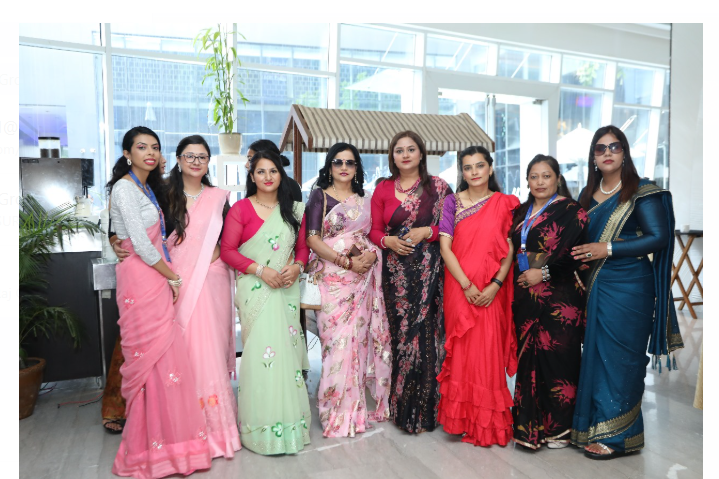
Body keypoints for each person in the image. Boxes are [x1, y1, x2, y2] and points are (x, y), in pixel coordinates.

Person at [569, 125, 684, 459]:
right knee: (596, 356)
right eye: (600, 148)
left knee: (623, 359)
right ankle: (594, 427)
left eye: (614, 147)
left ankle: (620, 437)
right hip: (597, 285)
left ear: (624, 153)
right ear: (593, 157)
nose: (607, 153)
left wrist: (607, 248)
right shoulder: (587, 195)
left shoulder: (641, 191)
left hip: (631, 286)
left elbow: (659, 237)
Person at [108, 126, 211, 478]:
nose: (149, 153)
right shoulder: (124, 188)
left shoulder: (149, 187)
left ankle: (171, 443)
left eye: (154, 147)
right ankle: (146, 446)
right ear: (127, 153)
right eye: (141, 147)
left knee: (164, 359)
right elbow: (138, 241)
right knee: (148, 357)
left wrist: (166, 276)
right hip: (142, 278)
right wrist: (173, 277)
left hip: (154, 275)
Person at [220, 150, 311, 455]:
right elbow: (228, 251)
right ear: (252, 176)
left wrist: (297, 267)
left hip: (285, 288)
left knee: (286, 356)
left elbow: (303, 249)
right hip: (255, 290)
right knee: (261, 358)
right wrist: (261, 271)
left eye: (273, 171)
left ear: (281, 175)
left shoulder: (294, 210)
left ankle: (290, 426)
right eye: (261, 171)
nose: (268, 177)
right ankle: (259, 428)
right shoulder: (241, 209)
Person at [305, 142, 392, 438]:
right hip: (332, 281)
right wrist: (345, 262)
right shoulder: (319, 196)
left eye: (350, 162)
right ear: (329, 166)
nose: (344, 167)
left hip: (361, 281)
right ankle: (334, 412)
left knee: (358, 343)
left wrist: (371, 256)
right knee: (335, 345)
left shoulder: (365, 200)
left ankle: (355, 412)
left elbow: (373, 236)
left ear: (357, 167)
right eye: (338, 162)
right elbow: (313, 240)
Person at [369, 130, 453, 433]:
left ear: (421, 154)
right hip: (396, 274)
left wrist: (427, 232)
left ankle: (428, 410)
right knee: (402, 339)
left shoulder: (439, 187)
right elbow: (373, 230)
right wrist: (388, 241)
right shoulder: (382, 189)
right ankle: (403, 408)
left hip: (430, 272)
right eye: (399, 150)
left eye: (411, 149)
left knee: (428, 337)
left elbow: (451, 227)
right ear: (392, 156)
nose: (405, 155)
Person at [163, 135, 240, 458]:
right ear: (178, 159)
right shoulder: (164, 196)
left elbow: (231, 237)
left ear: (209, 162)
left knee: (210, 349)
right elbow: (155, 239)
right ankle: (184, 427)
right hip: (176, 282)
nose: (196, 162)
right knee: (184, 350)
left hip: (213, 279)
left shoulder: (218, 197)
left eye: (202, 157)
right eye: (189, 156)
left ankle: (216, 431)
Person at [436, 146, 518, 446]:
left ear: (490, 168)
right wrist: (466, 285)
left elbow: (510, 249)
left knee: (488, 352)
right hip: (460, 288)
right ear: (462, 171)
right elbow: (445, 248)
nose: (474, 172)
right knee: (462, 353)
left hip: (491, 290)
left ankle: (487, 425)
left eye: (480, 165)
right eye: (468, 167)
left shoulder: (506, 203)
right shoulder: (451, 202)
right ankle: (461, 421)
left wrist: (495, 284)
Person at [510, 155, 589, 450]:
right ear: (527, 181)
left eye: (546, 176)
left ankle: (560, 430)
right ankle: (530, 428)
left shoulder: (572, 211)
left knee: (559, 361)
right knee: (529, 360)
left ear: (557, 178)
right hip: (525, 296)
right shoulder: (521, 212)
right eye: (534, 176)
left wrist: (541, 273)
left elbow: (575, 255)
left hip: (560, 296)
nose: (540, 182)